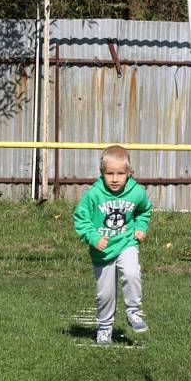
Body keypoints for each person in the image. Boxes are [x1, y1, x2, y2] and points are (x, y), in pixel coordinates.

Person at [73, 145, 153, 345]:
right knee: (105, 294)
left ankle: (134, 311)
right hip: (103, 250)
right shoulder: (94, 194)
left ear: (129, 173)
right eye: (110, 173)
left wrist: (141, 227)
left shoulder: (136, 192)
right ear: (102, 173)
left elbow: (144, 211)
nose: (115, 179)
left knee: (132, 272)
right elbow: (81, 219)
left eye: (120, 173)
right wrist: (93, 238)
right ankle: (104, 328)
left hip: (127, 243)